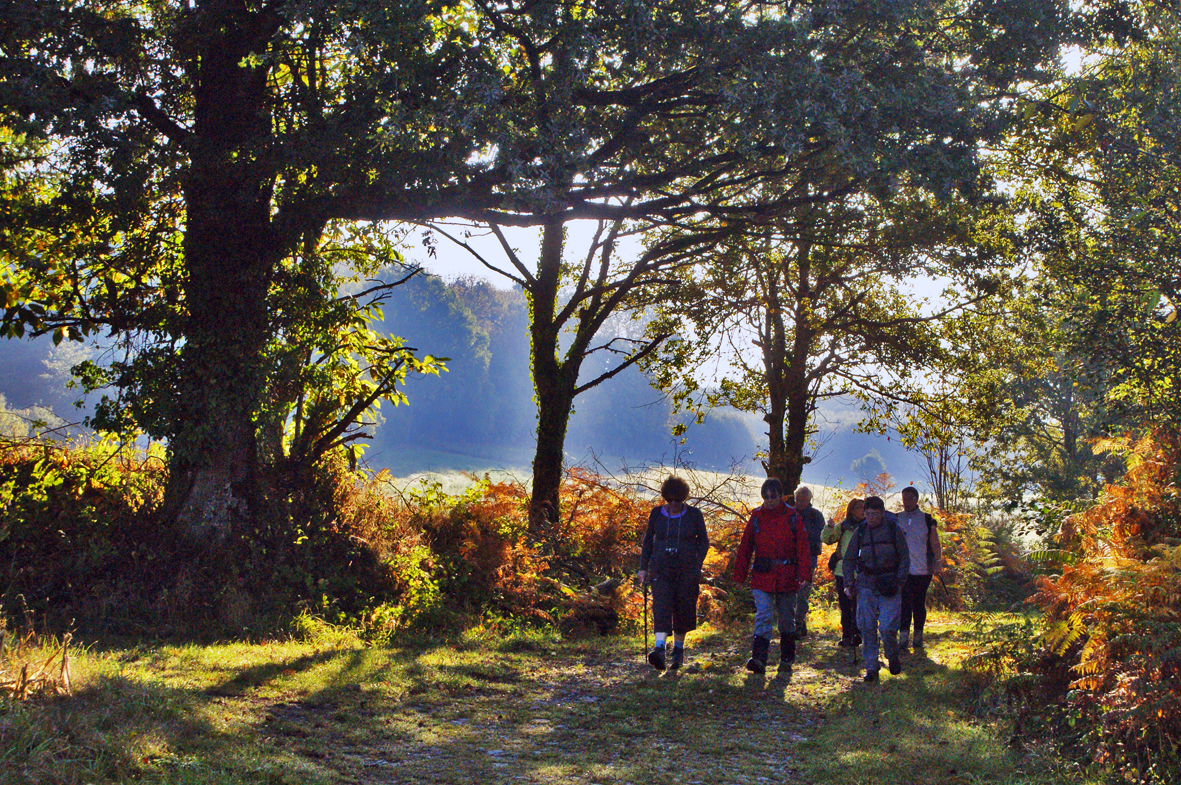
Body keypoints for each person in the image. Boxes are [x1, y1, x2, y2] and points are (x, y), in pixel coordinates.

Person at [732, 478, 812, 673]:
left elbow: (803, 548)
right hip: (762, 575)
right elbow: (745, 548)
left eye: (772, 496)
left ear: (780, 496)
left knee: (786, 618)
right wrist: (739, 576)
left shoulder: (793, 517)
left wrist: (805, 575)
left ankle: (787, 658)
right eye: (765, 496)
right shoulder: (757, 517)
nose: (769, 499)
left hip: (787, 576)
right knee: (764, 615)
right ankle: (758, 659)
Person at [638, 476, 710, 671]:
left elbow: (704, 541)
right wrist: (643, 567)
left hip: (686, 570)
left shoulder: (694, 515)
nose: (673, 504)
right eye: (669, 500)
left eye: (677, 500)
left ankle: (678, 650)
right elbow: (647, 542)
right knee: (661, 606)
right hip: (660, 568)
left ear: (683, 498)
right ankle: (659, 649)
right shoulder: (656, 514)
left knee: (683, 608)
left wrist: (697, 565)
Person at [842, 495, 910, 682]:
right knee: (867, 626)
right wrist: (849, 584)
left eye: (873, 514)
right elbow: (848, 559)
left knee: (888, 627)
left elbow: (905, 557)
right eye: (867, 514)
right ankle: (871, 667)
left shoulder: (893, 529)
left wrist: (900, 581)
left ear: (882, 513)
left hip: (890, 584)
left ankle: (892, 655)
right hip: (865, 584)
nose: (870, 517)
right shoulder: (861, 532)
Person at [896, 486, 943, 652]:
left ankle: (918, 636)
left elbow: (935, 542)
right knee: (904, 603)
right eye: (904, 498)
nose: (906, 502)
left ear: (916, 499)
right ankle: (903, 638)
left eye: (909, 498)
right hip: (903, 570)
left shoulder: (927, 520)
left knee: (918, 603)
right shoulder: (896, 519)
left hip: (922, 569)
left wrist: (938, 561)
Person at [821, 498, 864, 647]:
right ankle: (847, 635)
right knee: (845, 605)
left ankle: (858, 633)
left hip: (862, 572)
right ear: (852, 510)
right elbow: (827, 539)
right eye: (859, 508)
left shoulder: (868, 527)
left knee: (861, 605)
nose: (863, 510)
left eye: (864, 507)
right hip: (842, 571)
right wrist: (829, 527)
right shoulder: (844, 526)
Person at [792, 486, 826, 639]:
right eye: (798, 500)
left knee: (803, 594)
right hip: (790, 559)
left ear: (809, 500)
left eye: (803, 500)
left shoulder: (816, 516)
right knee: (791, 593)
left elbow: (820, 536)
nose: (800, 503)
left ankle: (799, 624)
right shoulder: (790, 513)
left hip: (809, 559)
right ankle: (795, 623)